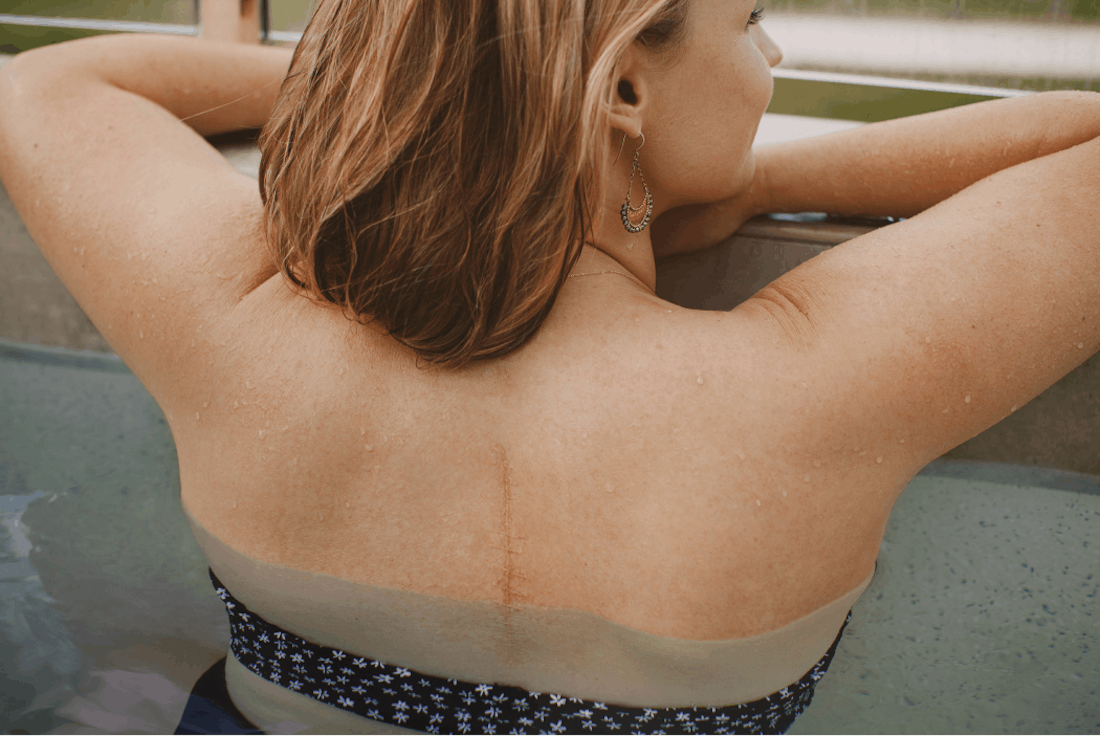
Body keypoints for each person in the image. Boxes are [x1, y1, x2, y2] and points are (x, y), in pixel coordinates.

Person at [0, 0, 1098, 732]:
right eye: (748, 18)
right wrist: (756, 185)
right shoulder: (809, 385)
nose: (769, 57)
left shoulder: (232, 328)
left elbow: (46, 89)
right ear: (622, 91)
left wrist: (425, 79)